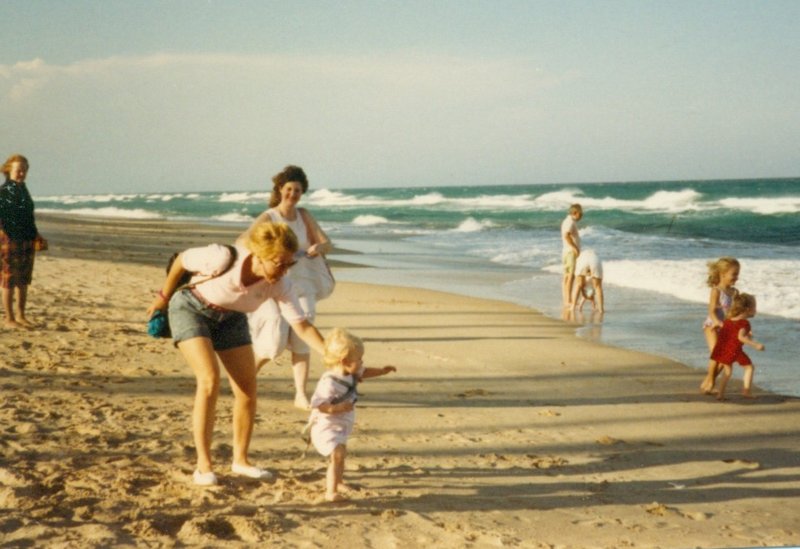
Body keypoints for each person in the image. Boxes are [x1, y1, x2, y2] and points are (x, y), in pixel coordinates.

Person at [145, 221, 325, 486]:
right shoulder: (222, 257)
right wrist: (163, 296)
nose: (285, 269)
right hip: (192, 308)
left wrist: (330, 354)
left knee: (247, 388)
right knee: (209, 380)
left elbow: (302, 326)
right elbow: (182, 260)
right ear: (260, 255)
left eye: (290, 264)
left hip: (231, 318)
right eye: (279, 263)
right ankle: (204, 466)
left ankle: (240, 461)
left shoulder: (280, 283)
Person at [239, 165, 333, 410]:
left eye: (298, 190)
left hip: (303, 285)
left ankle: (301, 394)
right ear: (280, 189)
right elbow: (244, 240)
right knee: (274, 342)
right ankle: (244, 378)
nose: (293, 194)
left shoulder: (304, 215)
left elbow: (326, 243)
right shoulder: (270, 216)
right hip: (274, 283)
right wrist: (269, 256)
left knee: (303, 338)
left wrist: (316, 249)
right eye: (289, 189)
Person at [307, 328, 396, 502]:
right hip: (326, 426)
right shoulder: (329, 381)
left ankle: (338, 481)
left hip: (341, 424)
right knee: (337, 455)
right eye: (359, 359)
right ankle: (330, 492)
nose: (362, 362)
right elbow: (318, 403)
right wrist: (335, 408)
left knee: (341, 455)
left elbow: (366, 371)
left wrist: (382, 371)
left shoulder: (351, 372)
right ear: (345, 361)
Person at [0, 154, 47, 329]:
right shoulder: (4, 191)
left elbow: (28, 216)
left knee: (23, 280)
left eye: (24, 170)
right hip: (9, 240)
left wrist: (36, 234)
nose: (21, 173)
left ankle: (21, 315)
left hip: (27, 239)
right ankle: (9, 318)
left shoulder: (22, 189)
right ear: (9, 170)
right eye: (18, 170)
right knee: (8, 280)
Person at [711, 293, 765, 401]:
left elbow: (728, 329)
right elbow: (740, 337)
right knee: (749, 367)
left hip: (723, 349)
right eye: (754, 307)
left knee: (727, 371)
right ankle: (746, 391)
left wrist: (716, 325)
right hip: (735, 350)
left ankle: (720, 394)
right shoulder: (744, 323)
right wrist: (755, 345)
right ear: (747, 309)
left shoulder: (728, 320)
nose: (756, 310)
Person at [699, 257, 740, 394]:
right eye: (734, 274)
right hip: (712, 325)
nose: (737, 277)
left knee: (726, 358)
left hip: (725, 327)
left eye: (737, 274)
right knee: (717, 354)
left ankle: (708, 382)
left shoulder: (734, 292)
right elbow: (711, 310)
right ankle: (710, 382)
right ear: (722, 274)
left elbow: (733, 312)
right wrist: (717, 321)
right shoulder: (716, 291)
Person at [561, 204, 583, 308]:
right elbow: (567, 235)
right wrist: (575, 248)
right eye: (580, 214)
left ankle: (566, 299)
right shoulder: (570, 222)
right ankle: (568, 300)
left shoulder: (567, 221)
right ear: (575, 213)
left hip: (566, 251)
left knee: (566, 276)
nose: (582, 216)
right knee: (570, 276)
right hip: (570, 252)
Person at [570, 248, 604, 312]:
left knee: (578, 284)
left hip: (582, 259)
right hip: (595, 259)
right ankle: (601, 309)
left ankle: (572, 307)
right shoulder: (595, 254)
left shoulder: (581, 255)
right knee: (597, 287)